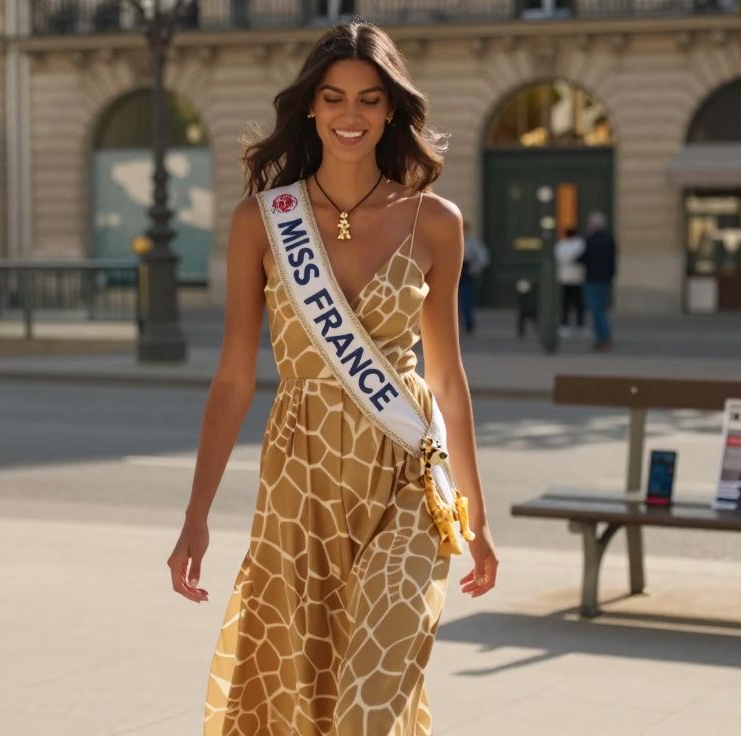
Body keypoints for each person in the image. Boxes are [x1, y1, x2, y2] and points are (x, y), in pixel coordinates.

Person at [167, 22, 498, 735]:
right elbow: (232, 379)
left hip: (406, 478)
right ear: (311, 108)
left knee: (373, 694)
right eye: (335, 97)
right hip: (301, 478)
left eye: (369, 100)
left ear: (391, 111)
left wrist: (479, 513)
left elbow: (446, 373)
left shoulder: (435, 222)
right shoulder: (262, 222)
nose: (351, 115)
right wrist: (196, 517)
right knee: (304, 696)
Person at [579, 211, 616, 351]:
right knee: (600, 309)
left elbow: (583, 258)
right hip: (605, 279)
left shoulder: (591, 240)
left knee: (596, 311)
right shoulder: (609, 239)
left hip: (593, 278)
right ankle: (604, 337)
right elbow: (612, 260)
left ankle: (602, 338)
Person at [457, 221, 489, 334]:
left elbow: (482, 257)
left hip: (466, 272)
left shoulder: (472, 242)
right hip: (453, 272)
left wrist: (474, 269)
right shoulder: (450, 240)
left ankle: (468, 323)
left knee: (466, 299)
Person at [555, 226, 586, 336]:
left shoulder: (561, 245)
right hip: (577, 277)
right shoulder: (580, 244)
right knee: (578, 303)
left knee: (566, 303)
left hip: (566, 278)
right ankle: (579, 324)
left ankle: (565, 324)